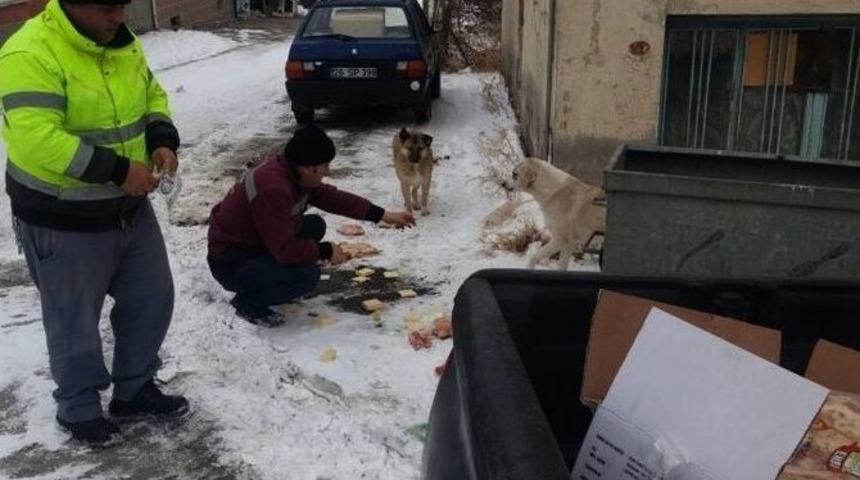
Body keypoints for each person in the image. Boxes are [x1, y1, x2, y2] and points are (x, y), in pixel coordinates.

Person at [0, 0, 188, 446]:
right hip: (61, 215)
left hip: (128, 210)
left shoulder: (123, 44)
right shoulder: (29, 53)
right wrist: (119, 171)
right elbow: (36, 138)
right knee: (73, 319)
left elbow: (151, 95)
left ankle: (134, 387)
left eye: (122, 5)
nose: (119, 17)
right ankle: (79, 407)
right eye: (107, 8)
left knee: (151, 297)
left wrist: (161, 139)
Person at [207, 124, 415, 325]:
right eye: (325, 165)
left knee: (315, 226)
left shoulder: (292, 171)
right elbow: (286, 250)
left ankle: (269, 277)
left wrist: (383, 215)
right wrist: (325, 251)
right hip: (231, 261)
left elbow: (333, 199)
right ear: (309, 167)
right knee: (306, 276)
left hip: (255, 242)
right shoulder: (273, 189)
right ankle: (249, 303)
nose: (327, 172)